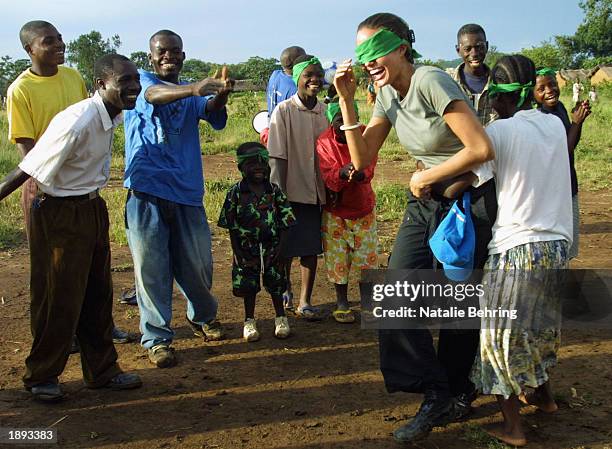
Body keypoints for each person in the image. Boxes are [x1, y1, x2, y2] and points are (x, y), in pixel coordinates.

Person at [334, 12, 497, 443]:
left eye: (375, 50)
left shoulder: (429, 80)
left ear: (403, 47)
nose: (367, 61)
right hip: (426, 202)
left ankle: (459, 389)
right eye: (360, 54)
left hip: (467, 201)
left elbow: (481, 147)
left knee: (456, 306)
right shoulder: (386, 93)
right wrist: (349, 100)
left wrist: (427, 175)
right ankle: (437, 390)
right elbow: (361, 160)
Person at [0, 54, 144, 402]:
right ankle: (42, 375)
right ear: (101, 85)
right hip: (59, 214)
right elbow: (28, 168)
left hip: (91, 207)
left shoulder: (112, 114)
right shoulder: (77, 121)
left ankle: (102, 371)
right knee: (59, 298)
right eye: (124, 81)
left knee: (98, 293)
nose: (134, 88)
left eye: (136, 80)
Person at [7, 20, 133, 346]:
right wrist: (41, 182)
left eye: (60, 39)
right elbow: (29, 157)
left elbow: (93, 119)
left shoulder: (78, 83)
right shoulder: (23, 91)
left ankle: (98, 351)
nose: (59, 45)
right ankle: (49, 354)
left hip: (85, 196)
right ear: (30, 50)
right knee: (54, 283)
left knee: (96, 282)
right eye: (49, 41)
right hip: (47, 187)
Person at [470, 55, 572, 447]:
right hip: (558, 244)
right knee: (541, 327)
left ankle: (513, 428)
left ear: (498, 96)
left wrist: (428, 178)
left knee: (498, 338)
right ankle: (544, 398)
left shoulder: (499, 133)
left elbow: (471, 174)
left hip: (517, 248)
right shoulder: (553, 123)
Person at [123, 29, 231, 368]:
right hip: (147, 191)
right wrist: (194, 88)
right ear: (151, 56)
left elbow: (210, 112)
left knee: (198, 265)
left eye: (175, 52)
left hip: (187, 191)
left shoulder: (188, 93)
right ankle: (157, 338)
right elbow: (153, 95)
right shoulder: (140, 82)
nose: (169, 56)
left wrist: (220, 96)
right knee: (151, 270)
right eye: (162, 52)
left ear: (183, 55)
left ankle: (202, 318)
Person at [268, 54, 328, 320]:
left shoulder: (324, 111)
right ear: (298, 79)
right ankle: (286, 291)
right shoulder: (284, 111)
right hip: (290, 190)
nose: (314, 80)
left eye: (318, 75)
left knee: (310, 248)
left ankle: (305, 300)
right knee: (285, 248)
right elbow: (277, 155)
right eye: (308, 76)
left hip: (316, 191)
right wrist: (277, 195)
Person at [218, 142, 296, 341]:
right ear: (241, 168)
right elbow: (232, 226)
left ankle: (281, 317)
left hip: (273, 247)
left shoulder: (274, 191)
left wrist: (282, 248)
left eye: (262, 163)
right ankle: (249, 321)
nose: (258, 168)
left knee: (277, 284)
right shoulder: (236, 193)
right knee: (248, 286)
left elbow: (286, 221)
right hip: (246, 249)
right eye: (252, 164)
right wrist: (237, 252)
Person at [316, 98, 378, 324]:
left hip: (363, 207)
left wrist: (360, 173)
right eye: (338, 121)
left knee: (367, 259)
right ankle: (342, 303)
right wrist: (343, 173)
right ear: (331, 122)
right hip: (336, 211)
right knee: (337, 258)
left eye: (348, 121)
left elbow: (369, 166)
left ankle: (369, 303)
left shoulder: (365, 134)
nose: (343, 127)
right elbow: (328, 174)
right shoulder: (324, 141)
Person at [533, 68, 591, 259]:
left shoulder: (559, 108)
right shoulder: (542, 117)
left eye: (552, 84)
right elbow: (561, 152)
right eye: (541, 88)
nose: (549, 90)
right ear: (532, 95)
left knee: (570, 238)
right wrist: (576, 123)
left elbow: (571, 144)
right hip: (555, 189)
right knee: (559, 241)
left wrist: (578, 122)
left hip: (569, 184)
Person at [260, 46, 306, 146]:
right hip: (288, 136)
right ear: (297, 63)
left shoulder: (275, 75)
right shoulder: (295, 88)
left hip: (272, 129)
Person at [452, 23, 497, 125]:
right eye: (467, 49)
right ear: (458, 50)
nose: (474, 54)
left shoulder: (500, 83)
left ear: (487, 46)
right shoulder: (447, 83)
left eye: (479, 47)